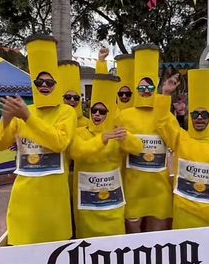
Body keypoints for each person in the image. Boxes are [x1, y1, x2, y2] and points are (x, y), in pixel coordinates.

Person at [0, 35, 77, 245]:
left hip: (55, 204)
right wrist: (6, 118)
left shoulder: (66, 112)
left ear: (56, 84)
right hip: (24, 200)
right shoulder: (23, 113)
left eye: (49, 82)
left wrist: (27, 118)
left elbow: (59, 142)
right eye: (39, 82)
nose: (44, 85)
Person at [70, 73, 142, 238]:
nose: (97, 114)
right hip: (87, 204)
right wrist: (101, 139)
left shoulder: (116, 135)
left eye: (102, 112)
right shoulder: (80, 132)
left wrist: (126, 138)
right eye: (94, 110)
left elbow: (138, 148)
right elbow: (77, 151)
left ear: (108, 114)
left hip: (112, 203)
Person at [155, 68, 209, 229]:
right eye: (195, 114)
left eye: (204, 115)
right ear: (189, 116)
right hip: (184, 216)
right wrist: (165, 93)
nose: (200, 118)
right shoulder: (180, 138)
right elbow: (162, 120)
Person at [116, 45, 173, 233]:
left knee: (158, 239)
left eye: (149, 86)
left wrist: (164, 97)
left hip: (159, 188)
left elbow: (174, 141)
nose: (146, 90)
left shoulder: (165, 114)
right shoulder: (125, 115)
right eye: (142, 86)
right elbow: (119, 148)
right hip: (134, 186)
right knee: (133, 239)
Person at [58, 60, 88, 127]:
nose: (72, 100)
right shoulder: (54, 120)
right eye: (68, 97)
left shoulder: (86, 123)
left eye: (76, 98)